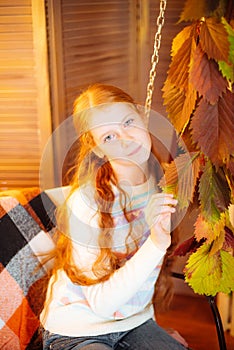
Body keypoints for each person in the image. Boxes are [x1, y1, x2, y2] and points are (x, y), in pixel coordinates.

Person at [40, 83, 188, 349]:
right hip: (78, 327)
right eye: (108, 137)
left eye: (128, 122)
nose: (125, 139)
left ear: (143, 119)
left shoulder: (164, 184)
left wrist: (155, 333)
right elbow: (103, 305)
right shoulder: (87, 205)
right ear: (97, 149)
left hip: (133, 322)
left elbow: (146, 277)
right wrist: (156, 243)